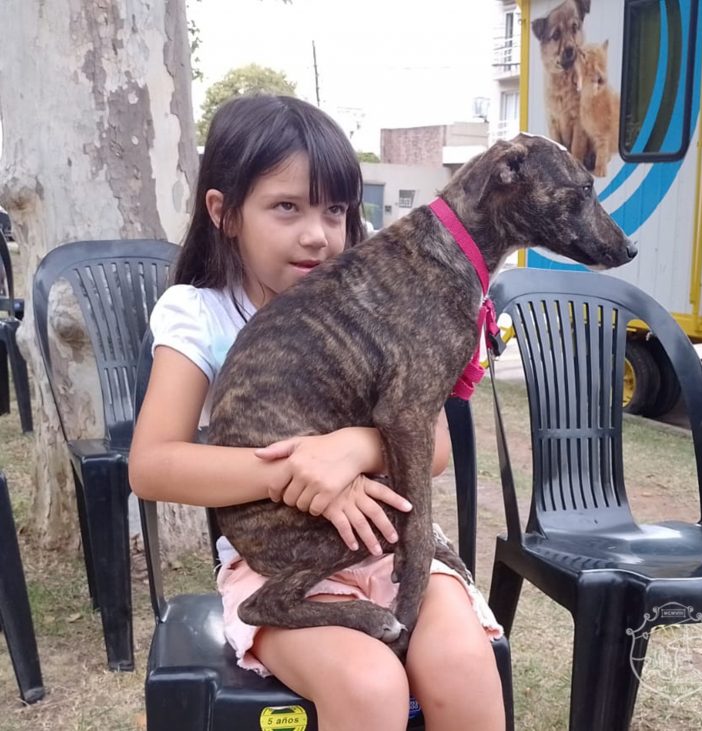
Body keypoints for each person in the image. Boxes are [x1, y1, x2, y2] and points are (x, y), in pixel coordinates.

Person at [129, 95, 505, 731]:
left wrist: (354, 449)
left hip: (391, 547)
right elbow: (154, 465)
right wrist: (290, 473)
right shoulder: (202, 314)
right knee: (367, 685)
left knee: (463, 666)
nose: (318, 233)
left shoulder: (378, 297)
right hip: (281, 564)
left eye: (336, 210)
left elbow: (434, 447)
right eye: (287, 207)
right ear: (224, 213)